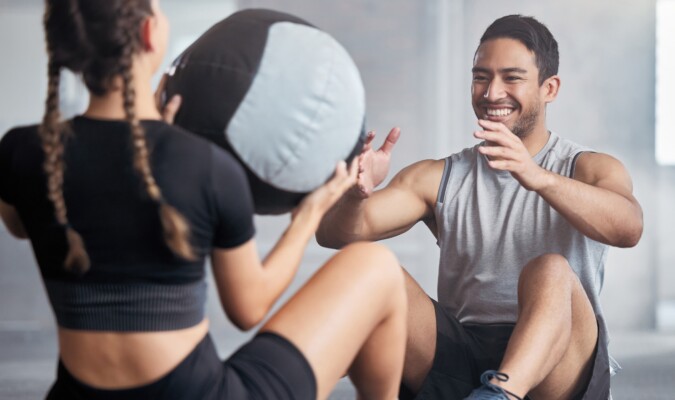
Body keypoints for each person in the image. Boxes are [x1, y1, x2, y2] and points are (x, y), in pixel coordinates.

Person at [0, 1, 408, 399]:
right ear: (148, 33)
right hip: (197, 392)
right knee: (376, 267)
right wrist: (310, 214)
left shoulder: (22, 151)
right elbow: (248, 308)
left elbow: (21, 226)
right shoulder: (202, 164)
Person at [317, 14, 643, 400]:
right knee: (372, 268)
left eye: (512, 77)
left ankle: (501, 394)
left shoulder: (589, 167)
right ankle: (289, 376)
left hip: (559, 365)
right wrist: (355, 195)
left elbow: (629, 228)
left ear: (549, 87)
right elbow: (334, 234)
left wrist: (536, 176)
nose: (491, 93)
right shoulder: (438, 177)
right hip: (463, 356)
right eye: (481, 77)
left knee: (551, 269)